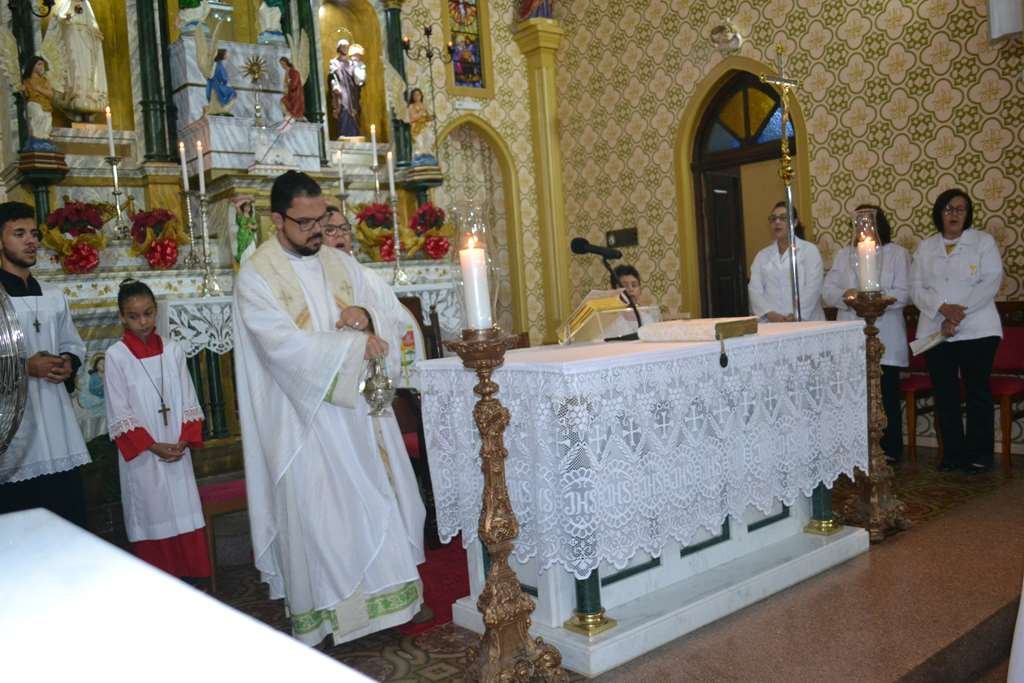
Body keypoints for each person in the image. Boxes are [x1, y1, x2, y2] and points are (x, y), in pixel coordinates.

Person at [232, 171, 428, 646]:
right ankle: (330, 618)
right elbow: (280, 347)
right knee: (321, 518)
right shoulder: (257, 275)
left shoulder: (342, 265)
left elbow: (393, 315)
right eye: (305, 222)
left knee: (376, 505)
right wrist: (352, 349)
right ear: (277, 220)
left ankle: (392, 605)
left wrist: (368, 318)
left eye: (321, 219)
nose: (317, 230)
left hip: (359, 417)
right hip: (302, 419)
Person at [103, 279, 210, 580]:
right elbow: (119, 412)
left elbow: (189, 398)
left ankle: (193, 575)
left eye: (148, 313)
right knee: (152, 511)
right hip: (144, 454)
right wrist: (153, 446)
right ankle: (158, 581)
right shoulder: (116, 356)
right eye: (134, 316)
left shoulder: (173, 350)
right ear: (122, 317)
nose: (143, 322)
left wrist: (183, 441)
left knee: (183, 507)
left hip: (176, 448)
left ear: (156, 311)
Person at [0, 201, 91, 526]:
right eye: (19, 233)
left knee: (67, 515)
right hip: (14, 428)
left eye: (34, 233)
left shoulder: (53, 295)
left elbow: (72, 343)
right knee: (22, 524)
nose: (31, 241)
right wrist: (25, 367)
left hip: (56, 421)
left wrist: (68, 362)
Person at [911, 189, 1003, 473]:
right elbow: (916, 287)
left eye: (960, 209)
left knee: (977, 392)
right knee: (945, 394)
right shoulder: (925, 247)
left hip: (978, 329)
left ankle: (979, 455)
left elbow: (990, 281)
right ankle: (952, 454)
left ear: (968, 213)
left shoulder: (983, 242)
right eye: (948, 209)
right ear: (939, 213)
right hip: (936, 329)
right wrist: (942, 308)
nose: (954, 214)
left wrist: (957, 314)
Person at [823, 204, 911, 463]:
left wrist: (874, 299)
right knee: (853, 397)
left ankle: (889, 450)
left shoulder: (896, 254)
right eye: (858, 223)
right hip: (850, 336)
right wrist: (849, 296)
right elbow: (827, 292)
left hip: (887, 334)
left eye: (867, 222)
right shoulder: (844, 255)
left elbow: (904, 293)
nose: (862, 228)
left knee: (886, 395)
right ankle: (856, 450)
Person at [748, 201, 825, 322]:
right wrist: (769, 314)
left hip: (806, 321)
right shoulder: (762, 256)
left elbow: (813, 288)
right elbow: (754, 290)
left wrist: (796, 316)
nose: (777, 222)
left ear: (795, 222)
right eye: (773, 219)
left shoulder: (809, 251)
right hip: (772, 322)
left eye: (783, 218)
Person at [43, 0, 108, 115]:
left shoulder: (86, 6)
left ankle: (87, 93)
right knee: (75, 65)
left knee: (87, 67)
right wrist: (66, 20)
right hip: (72, 38)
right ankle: (75, 91)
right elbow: (59, 20)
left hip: (86, 41)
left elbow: (92, 24)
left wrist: (95, 32)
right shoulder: (67, 4)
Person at [329, 39, 366, 138]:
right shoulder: (334, 62)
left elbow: (358, 78)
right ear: (339, 48)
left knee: (354, 110)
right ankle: (344, 133)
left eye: (347, 46)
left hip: (352, 91)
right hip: (342, 90)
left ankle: (354, 134)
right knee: (344, 108)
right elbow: (333, 76)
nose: (345, 48)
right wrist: (335, 86)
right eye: (343, 46)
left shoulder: (351, 63)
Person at [20, 57, 56, 147]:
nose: (42, 67)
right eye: (39, 64)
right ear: (32, 66)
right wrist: (22, 90)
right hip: (33, 103)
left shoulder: (45, 80)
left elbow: (51, 94)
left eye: (43, 65)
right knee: (39, 115)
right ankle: (36, 136)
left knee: (47, 119)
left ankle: (44, 136)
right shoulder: (27, 81)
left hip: (45, 105)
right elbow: (24, 95)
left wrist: (38, 89)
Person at [406, 88, 435, 162]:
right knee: (419, 143)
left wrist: (430, 118)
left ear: (421, 96)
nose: (417, 96)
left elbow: (427, 117)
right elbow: (412, 118)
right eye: (415, 95)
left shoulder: (423, 105)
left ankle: (427, 155)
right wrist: (421, 112)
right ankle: (419, 157)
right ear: (412, 97)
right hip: (416, 128)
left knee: (429, 138)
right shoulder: (411, 106)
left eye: (418, 94)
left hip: (424, 127)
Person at [206, 48, 237, 115]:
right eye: (226, 54)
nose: (227, 55)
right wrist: (225, 80)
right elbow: (223, 77)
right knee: (232, 92)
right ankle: (222, 107)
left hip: (214, 85)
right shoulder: (218, 64)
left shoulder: (217, 63)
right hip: (217, 86)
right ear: (222, 55)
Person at [279, 56, 304, 121]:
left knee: (286, 103)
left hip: (294, 94)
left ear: (286, 63)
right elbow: (286, 83)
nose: (282, 66)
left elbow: (294, 83)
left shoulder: (294, 72)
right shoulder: (287, 72)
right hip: (289, 93)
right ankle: (289, 116)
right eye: (281, 64)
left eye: (283, 64)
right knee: (283, 101)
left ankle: (293, 116)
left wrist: (290, 85)